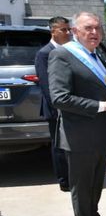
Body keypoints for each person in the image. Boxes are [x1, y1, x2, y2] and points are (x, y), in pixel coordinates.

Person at [48, 11, 106, 216]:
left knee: (95, 183)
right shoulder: (62, 56)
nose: (94, 33)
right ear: (74, 31)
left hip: (101, 133)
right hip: (79, 137)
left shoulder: (96, 55)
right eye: (88, 28)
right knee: (82, 188)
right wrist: (102, 105)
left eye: (97, 28)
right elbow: (59, 98)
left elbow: (104, 86)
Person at [35, 16, 71, 192]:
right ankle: (64, 181)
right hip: (55, 109)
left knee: (69, 144)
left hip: (69, 107)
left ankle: (71, 176)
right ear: (53, 31)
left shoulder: (68, 50)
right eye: (63, 30)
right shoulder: (44, 53)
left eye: (68, 29)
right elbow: (46, 85)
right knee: (59, 145)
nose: (68, 32)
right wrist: (58, 108)